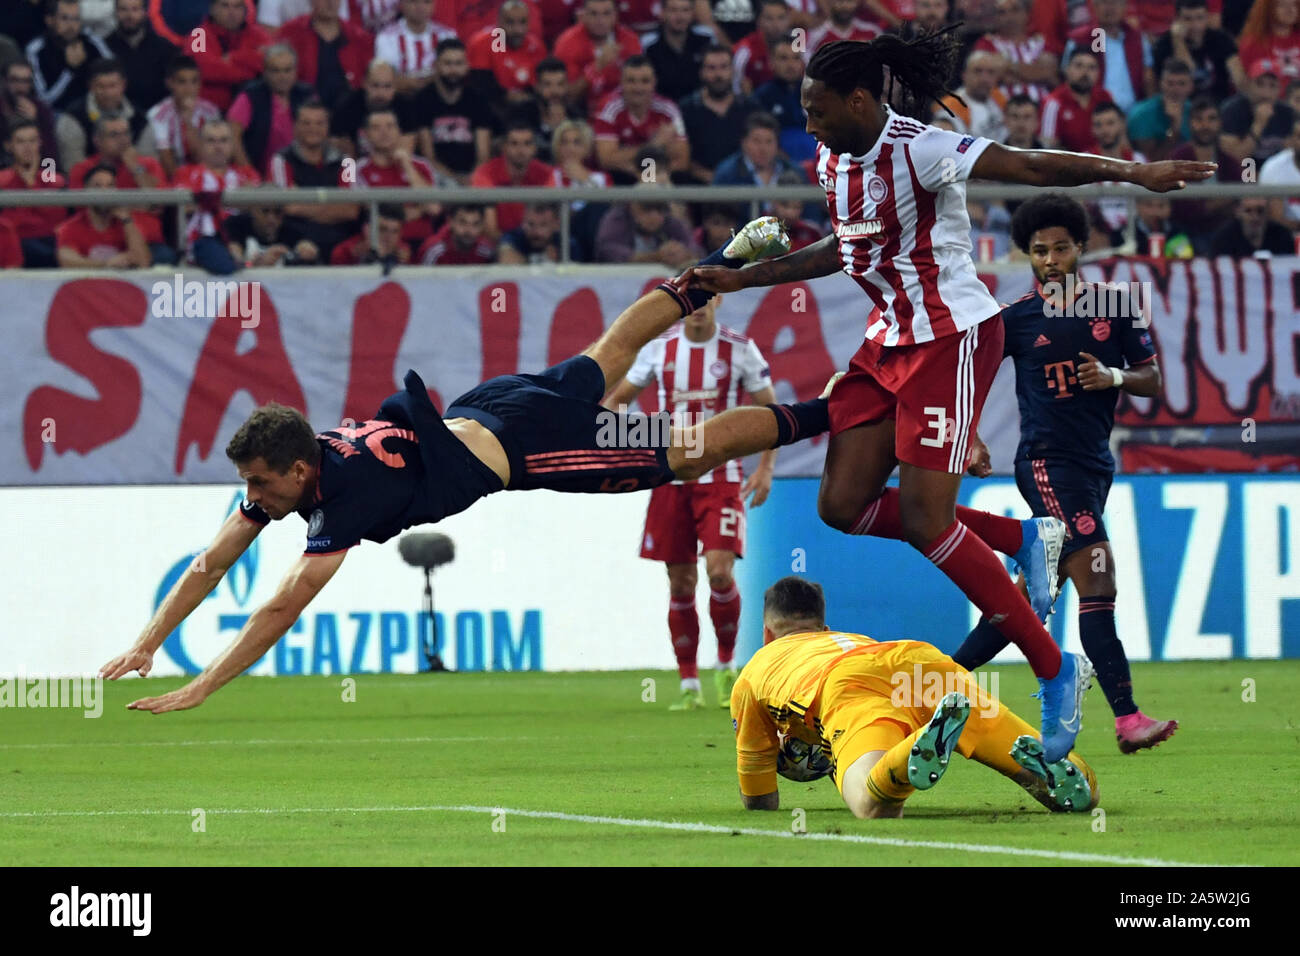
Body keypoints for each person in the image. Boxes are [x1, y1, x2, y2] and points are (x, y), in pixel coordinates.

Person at [683, 27, 1216, 761]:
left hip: (951, 337)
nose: (806, 124)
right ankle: (1022, 539)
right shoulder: (835, 160)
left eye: (818, 109)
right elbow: (844, 249)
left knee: (931, 521)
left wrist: (1132, 171)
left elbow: (1027, 164)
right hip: (887, 341)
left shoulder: (924, 146)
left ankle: (1057, 672)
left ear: (860, 99)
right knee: (841, 505)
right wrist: (742, 279)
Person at [100, 220, 833, 714]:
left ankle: (830, 413)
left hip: (529, 445)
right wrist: (146, 642)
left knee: (685, 452)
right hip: (492, 404)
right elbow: (210, 562)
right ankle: (722, 263)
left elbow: (281, 606)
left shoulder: (340, 500)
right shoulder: (304, 465)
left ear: (296, 470)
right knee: (609, 350)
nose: (251, 497)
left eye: (259, 482)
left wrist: (201, 686)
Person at [958, 193, 1177, 755]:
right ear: (1027, 256)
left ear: (1081, 247)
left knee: (1029, 600)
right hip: (1046, 465)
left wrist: (1113, 376)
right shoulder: (1015, 320)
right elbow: (971, 377)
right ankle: (1127, 718)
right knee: (1098, 578)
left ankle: (940, 681)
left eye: (1060, 248)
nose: (1051, 259)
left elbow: (1151, 379)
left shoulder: (1117, 306)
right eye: (1039, 251)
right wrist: (973, 436)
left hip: (1093, 466)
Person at [731, 576, 1099, 818]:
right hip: (915, 660)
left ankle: (909, 756)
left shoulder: (754, 673)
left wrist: (809, 758)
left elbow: (759, 798)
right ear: (823, 627)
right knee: (1027, 756)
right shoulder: (843, 638)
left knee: (870, 802)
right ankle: (1071, 773)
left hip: (847, 684)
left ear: (766, 634)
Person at [604, 294, 778, 711]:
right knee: (680, 581)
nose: (698, 306)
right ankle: (688, 682)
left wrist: (765, 468)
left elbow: (771, 410)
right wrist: (633, 448)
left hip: (722, 477)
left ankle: (724, 665)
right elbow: (616, 402)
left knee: (719, 573)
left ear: (717, 299)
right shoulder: (658, 348)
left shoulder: (739, 349)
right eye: (691, 298)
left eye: (705, 298)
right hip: (670, 478)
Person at [54, 164, 155, 269]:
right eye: (97, 186)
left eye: (110, 186)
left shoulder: (127, 223)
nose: (104, 192)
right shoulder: (70, 227)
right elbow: (67, 261)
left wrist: (127, 220)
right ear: (85, 191)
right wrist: (106, 264)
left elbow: (143, 262)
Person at [0, 118, 69, 268]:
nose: (28, 147)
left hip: (51, 246)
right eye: (21, 142)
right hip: (13, 247)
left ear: (40, 143)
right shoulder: (2, 180)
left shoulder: (53, 179)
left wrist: (31, 183)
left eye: (33, 141)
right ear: (8, 146)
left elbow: (56, 221)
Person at [25, 0, 113, 111]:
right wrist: (69, 71)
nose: (71, 25)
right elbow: (44, 101)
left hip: (94, 109)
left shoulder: (90, 41)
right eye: (64, 18)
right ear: (49, 20)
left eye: (76, 19)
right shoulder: (36, 50)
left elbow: (114, 72)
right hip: (57, 113)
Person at [145, 55, 222, 180]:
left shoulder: (211, 112)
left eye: (194, 81)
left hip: (205, 176)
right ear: (170, 83)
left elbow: (209, 157)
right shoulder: (158, 114)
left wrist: (189, 123)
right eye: (182, 82)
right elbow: (166, 161)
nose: (189, 89)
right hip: (171, 181)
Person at [373, 0, 456, 94]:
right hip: (400, 99)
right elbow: (385, 78)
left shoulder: (447, 35)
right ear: (401, 5)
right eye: (413, 1)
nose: (420, 7)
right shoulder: (386, 37)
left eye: (426, 2)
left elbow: (452, 73)